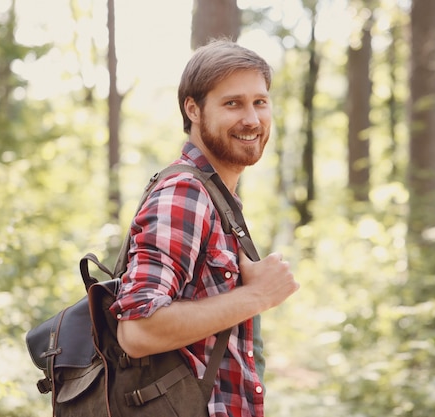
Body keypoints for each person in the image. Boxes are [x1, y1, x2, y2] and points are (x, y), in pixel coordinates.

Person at [109, 39, 300, 417]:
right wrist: (258, 296)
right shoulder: (185, 192)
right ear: (193, 109)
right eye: (233, 103)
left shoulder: (217, 197)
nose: (252, 119)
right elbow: (138, 331)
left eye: (260, 102)